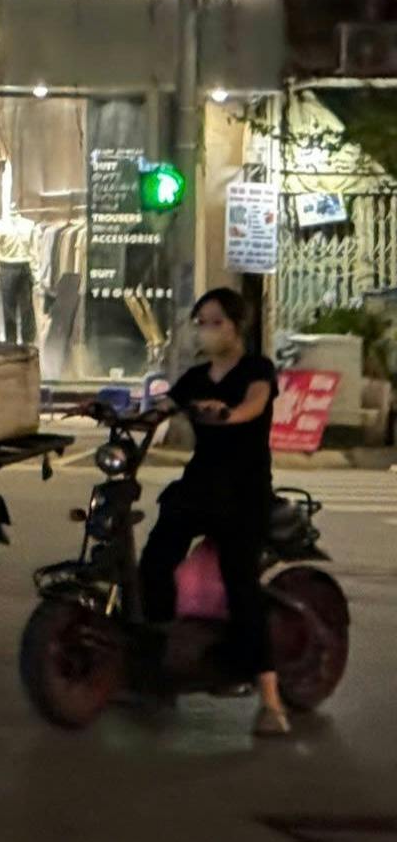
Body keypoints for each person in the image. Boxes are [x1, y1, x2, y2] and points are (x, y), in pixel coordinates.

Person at [142, 287, 290, 737]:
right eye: (201, 322)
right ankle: (159, 662)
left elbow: (255, 405)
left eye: (215, 322)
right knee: (153, 562)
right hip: (200, 485)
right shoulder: (195, 377)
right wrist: (120, 413)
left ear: (236, 326)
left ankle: (270, 700)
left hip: (243, 491)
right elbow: (164, 407)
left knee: (240, 582)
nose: (206, 331)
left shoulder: (256, 369)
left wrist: (227, 414)